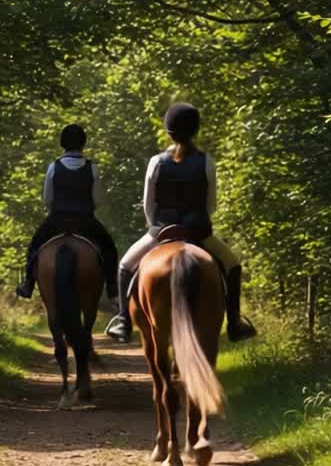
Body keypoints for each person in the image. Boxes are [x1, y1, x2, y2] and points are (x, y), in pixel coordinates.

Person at [105, 103, 256, 343]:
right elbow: (211, 204)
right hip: (198, 231)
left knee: (125, 265)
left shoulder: (156, 162)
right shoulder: (206, 161)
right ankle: (235, 322)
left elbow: (148, 203)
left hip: (162, 230)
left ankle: (124, 321)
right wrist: (199, 224)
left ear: (169, 132)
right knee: (233, 264)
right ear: (195, 131)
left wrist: (154, 228)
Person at [15, 124, 120, 300]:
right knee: (109, 248)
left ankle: (28, 285)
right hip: (85, 221)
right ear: (83, 144)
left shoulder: (53, 167)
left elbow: (48, 198)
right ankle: (112, 289)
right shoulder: (91, 168)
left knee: (34, 247)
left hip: (57, 220)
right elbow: (97, 200)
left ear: (62, 143)